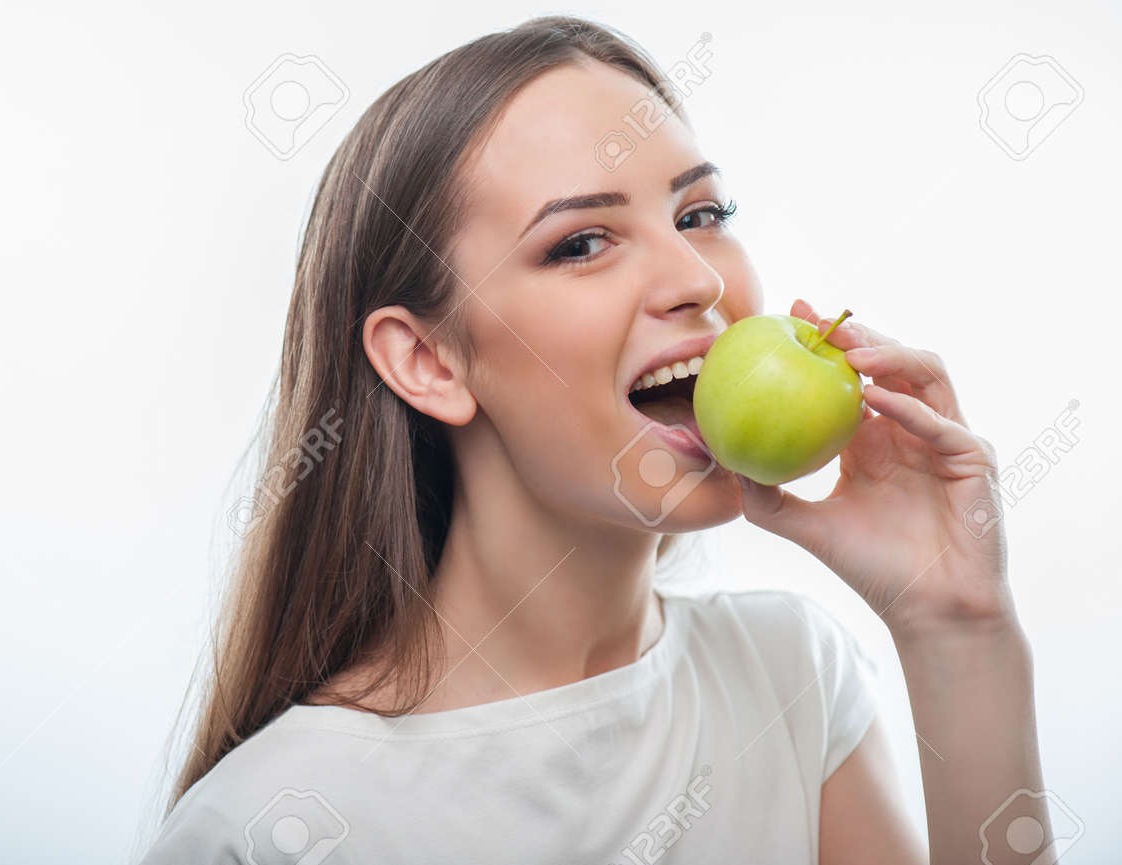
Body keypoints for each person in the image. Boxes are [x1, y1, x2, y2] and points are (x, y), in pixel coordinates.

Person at [140, 14, 1047, 864]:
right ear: (429, 360)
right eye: (580, 243)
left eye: (701, 216)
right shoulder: (274, 822)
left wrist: (958, 629)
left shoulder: (791, 680)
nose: (696, 277)